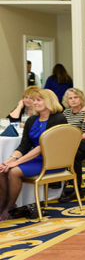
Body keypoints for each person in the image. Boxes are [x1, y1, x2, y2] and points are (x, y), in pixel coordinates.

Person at [0, 89, 68, 220]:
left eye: (38, 100)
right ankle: (2, 204)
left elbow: (43, 147)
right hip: (36, 158)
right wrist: (8, 161)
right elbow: (24, 146)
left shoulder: (58, 118)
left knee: (14, 172)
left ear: (48, 101)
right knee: (2, 170)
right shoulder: (32, 120)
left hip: (52, 160)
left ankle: (9, 207)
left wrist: (16, 163)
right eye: (34, 100)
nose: (34, 103)